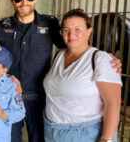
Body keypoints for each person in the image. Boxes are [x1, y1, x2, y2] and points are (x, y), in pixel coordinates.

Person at [0, 0, 122, 142]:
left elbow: (74, 44)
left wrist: (105, 60)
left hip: (40, 100)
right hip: (8, 97)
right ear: (12, 1)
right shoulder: (2, 26)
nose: (24, 2)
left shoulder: (49, 24)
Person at [43, 8, 121, 142]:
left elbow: (114, 102)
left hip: (85, 134)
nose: (71, 34)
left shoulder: (100, 59)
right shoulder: (58, 56)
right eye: (66, 30)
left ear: (89, 32)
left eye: (78, 29)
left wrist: (106, 139)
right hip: (52, 132)